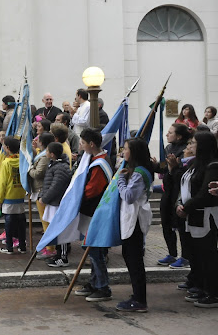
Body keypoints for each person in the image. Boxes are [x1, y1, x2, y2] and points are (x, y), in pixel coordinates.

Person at [176, 131, 218, 307]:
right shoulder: (196, 164)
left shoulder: (213, 166)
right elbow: (185, 186)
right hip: (194, 214)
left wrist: (186, 207)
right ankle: (203, 288)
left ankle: (214, 294)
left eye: (194, 143)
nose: (190, 146)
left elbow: (205, 192)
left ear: (203, 145)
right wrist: (180, 205)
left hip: (206, 215)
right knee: (198, 254)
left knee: (209, 254)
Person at [74, 128, 113, 302]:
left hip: (95, 212)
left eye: (82, 143)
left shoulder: (100, 163)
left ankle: (102, 286)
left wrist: (75, 199)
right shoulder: (92, 159)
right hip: (91, 212)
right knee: (90, 249)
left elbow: (92, 190)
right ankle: (94, 282)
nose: (80, 146)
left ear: (91, 144)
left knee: (95, 250)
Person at [114, 138, 153, 312]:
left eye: (127, 149)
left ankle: (140, 300)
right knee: (129, 256)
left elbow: (129, 196)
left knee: (135, 259)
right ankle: (137, 295)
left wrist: (120, 180)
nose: (123, 152)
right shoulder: (135, 170)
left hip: (136, 220)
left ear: (134, 152)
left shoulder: (139, 173)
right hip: (131, 218)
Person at [152, 123, 191, 267]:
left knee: (180, 226)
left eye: (170, 132)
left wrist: (174, 167)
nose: (167, 135)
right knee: (166, 224)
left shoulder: (185, 151)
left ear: (179, 136)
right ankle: (172, 253)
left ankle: (185, 256)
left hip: (179, 193)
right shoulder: (168, 148)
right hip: (167, 191)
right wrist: (155, 165)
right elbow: (164, 169)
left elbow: (180, 174)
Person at [40, 142, 73, 267]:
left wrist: (46, 198)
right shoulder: (54, 165)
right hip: (53, 202)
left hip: (58, 203)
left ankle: (63, 257)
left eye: (47, 151)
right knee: (56, 229)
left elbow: (56, 186)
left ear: (52, 154)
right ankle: (58, 254)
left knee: (61, 231)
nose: (46, 153)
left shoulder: (60, 168)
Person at [0, 137, 27, 254]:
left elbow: (2, 183)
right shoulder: (22, 161)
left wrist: (0, 198)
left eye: (4, 146)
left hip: (9, 196)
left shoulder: (6, 163)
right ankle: (22, 245)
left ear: (7, 148)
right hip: (20, 194)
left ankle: (9, 246)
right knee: (21, 221)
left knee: (9, 222)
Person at [29, 132, 55, 260]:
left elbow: (38, 173)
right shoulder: (42, 154)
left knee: (45, 220)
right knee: (43, 218)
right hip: (39, 189)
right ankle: (48, 245)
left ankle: (50, 248)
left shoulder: (45, 157)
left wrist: (29, 169)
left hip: (41, 189)